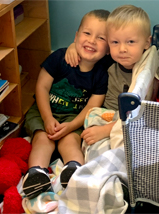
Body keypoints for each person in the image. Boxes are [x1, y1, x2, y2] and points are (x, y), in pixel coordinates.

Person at [22, 9, 111, 199]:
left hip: (74, 118)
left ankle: (75, 172)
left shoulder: (102, 74)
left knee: (70, 142)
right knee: (42, 139)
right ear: (76, 36)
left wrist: (71, 125)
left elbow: (91, 107)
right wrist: (47, 118)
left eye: (101, 38)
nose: (92, 40)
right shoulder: (60, 58)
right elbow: (42, 88)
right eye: (87, 33)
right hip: (44, 110)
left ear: (109, 48)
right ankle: (36, 173)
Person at [65, 5, 153, 145]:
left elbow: (144, 115)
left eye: (130, 42)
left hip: (126, 120)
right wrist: (72, 46)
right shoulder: (110, 59)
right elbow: (91, 50)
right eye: (115, 42)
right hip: (105, 114)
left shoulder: (147, 70)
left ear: (147, 42)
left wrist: (106, 130)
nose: (122, 49)